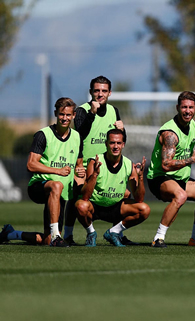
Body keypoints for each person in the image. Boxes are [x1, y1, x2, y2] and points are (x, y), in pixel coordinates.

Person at [0, 98, 84, 247]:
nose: (64, 118)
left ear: (73, 115)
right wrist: (57, 171)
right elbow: (31, 165)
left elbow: (79, 164)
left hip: (60, 195)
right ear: (55, 114)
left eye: (68, 115)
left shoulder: (77, 137)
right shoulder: (43, 135)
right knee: (56, 185)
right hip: (39, 186)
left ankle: (11, 234)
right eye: (61, 114)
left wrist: (80, 171)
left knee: (45, 241)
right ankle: (56, 236)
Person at [64, 75, 130, 246]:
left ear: (110, 93)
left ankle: (117, 234)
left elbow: (121, 139)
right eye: (97, 90)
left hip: (107, 167)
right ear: (91, 92)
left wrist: (124, 130)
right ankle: (68, 236)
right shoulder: (82, 110)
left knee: (122, 197)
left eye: (104, 91)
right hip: (84, 165)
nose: (100, 94)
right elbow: (80, 133)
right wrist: (92, 113)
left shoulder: (114, 111)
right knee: (74, 197)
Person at [147, 91, 195, 248]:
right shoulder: (170, 133)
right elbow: (166, 165)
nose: (187, 111)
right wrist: (192, 159)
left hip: (179, 178)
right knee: (181, 195)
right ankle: (158, 237)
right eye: (184, 107)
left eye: (190, 107)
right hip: (160, 177)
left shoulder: (193, 125)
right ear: (177, 108)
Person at [74, 129, 150, 247]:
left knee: (144, 209)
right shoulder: (95, 162)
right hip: (95, 206)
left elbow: (139, 199)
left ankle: (114, 232)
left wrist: (140, 177)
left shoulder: (128, 164)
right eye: (112, 143)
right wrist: (94, 174)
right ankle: (91, 233)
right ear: (106, 144)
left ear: (123, 145)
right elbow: (85, 196)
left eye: (119, 143)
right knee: (81, 205)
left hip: (116, 207)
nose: (115, 146)